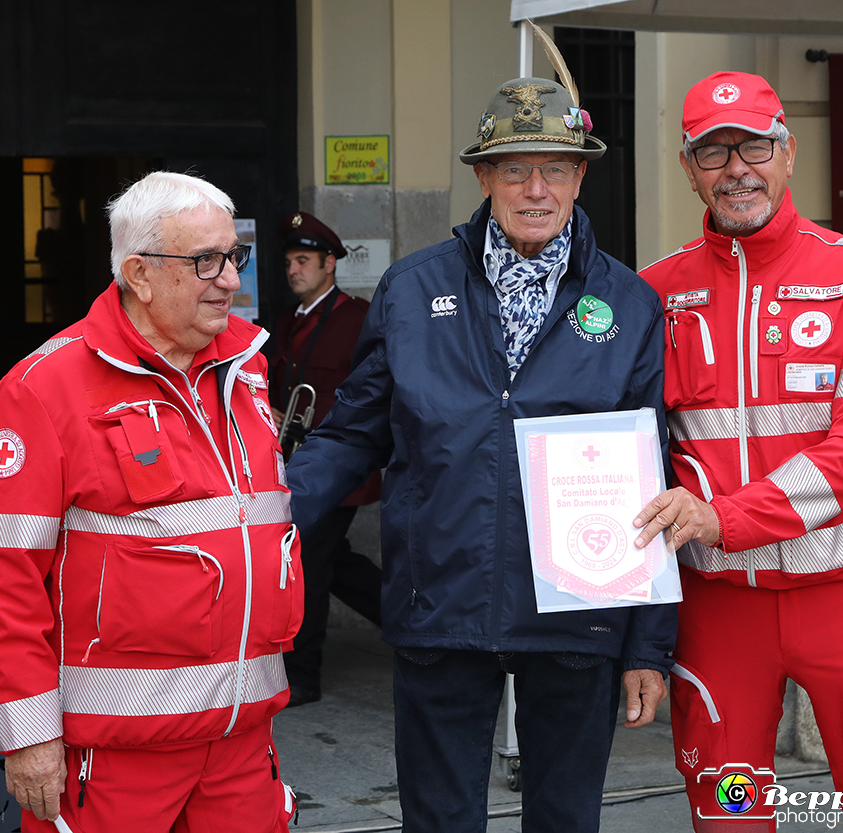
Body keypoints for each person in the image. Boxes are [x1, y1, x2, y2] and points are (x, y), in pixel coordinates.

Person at [286, 66, 677, 833]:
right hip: (441, 603)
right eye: (515, 168)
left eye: (556, 168)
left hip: (580, 612)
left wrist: (649, 645)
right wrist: (264, 512)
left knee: (565, 819)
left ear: (580, 176)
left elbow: (653, 476)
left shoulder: (630, 304)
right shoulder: (411, 289)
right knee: (438, 821)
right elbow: (353, 431)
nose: (537, 189)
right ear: (484, 176)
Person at [636, 72, 843, 832]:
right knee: (731, 811)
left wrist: (722, 517)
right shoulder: (654, 293)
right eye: (712, 151)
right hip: (719, 614)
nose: (736, 168)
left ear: (788, 153)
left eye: (754, 146)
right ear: (688, 169)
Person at [0, 172, 301, 833]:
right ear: (139, 274)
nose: (231, 279)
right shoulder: (45, 387)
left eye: (234, 256)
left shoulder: (248, 368)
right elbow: (6, 574)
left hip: (239, 742)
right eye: (205, 260)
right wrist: (29, 735)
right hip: (115, 759)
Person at [269, 211, 383, 707]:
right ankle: (411, 620)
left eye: (303, 260)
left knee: (310, 568)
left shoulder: (356, 318)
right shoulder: (289, 321)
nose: (293, 269)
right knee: (335, 564)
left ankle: (302, 675)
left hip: (340, 470)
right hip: (301, 461)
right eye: (290, 261)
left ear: (330, 264)